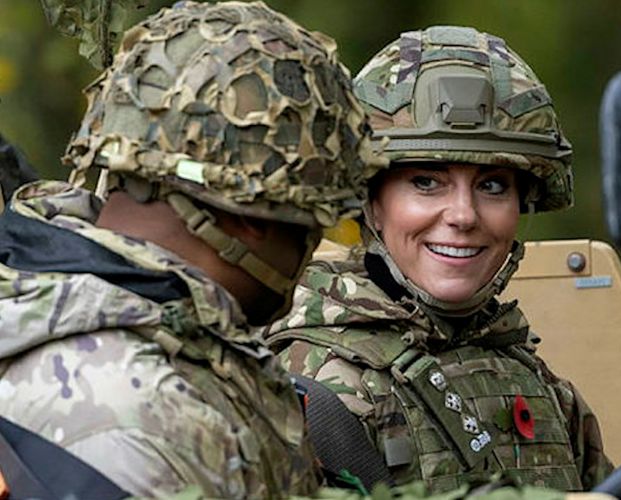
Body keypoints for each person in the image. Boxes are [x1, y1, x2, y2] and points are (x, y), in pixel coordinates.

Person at [0, 1, 382, 497]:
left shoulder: (97, 314)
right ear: (254, 216)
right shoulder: (135, 417)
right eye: (311, 222)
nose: (311, 249)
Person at [265, 25, 612, 493]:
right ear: (369, 200)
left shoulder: (536, 381)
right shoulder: (316, 386)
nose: (464, 216)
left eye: (492, 185)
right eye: (427, 182)